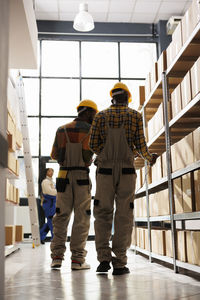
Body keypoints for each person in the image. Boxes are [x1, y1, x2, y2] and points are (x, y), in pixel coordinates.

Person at [89, 82, 158, 275]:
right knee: (124, 215)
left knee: (102, 213)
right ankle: (119, 262)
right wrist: (148, 157)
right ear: (127, 98)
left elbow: (93, 145)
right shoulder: (135, 115)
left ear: (112, 97)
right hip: (127, 171)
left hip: (105, 172)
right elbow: (141, 144)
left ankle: (103, 259)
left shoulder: (100, 116)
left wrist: (105, 153)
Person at [50, 99, 98, 270]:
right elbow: (94, 156)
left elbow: (55, 155)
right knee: (82, 218)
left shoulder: (61, 129)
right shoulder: (92, 131)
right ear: (87, 112)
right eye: (94, 113)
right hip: (81, 178)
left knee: (61, 217)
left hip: (63, 176)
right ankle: (77, 260)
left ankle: (56, 257)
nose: (95, 117)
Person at [40, 168, 57, 244]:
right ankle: (55, 239)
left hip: (53, 204)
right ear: (46, 172)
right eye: (50, 171)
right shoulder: (45, 182)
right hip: (48, 204)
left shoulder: (52, 182)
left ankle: (40, 237)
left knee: (49, 223)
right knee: (52, 222)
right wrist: (58, 192)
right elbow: (49, 192)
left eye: (52, 171)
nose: (52, 172)